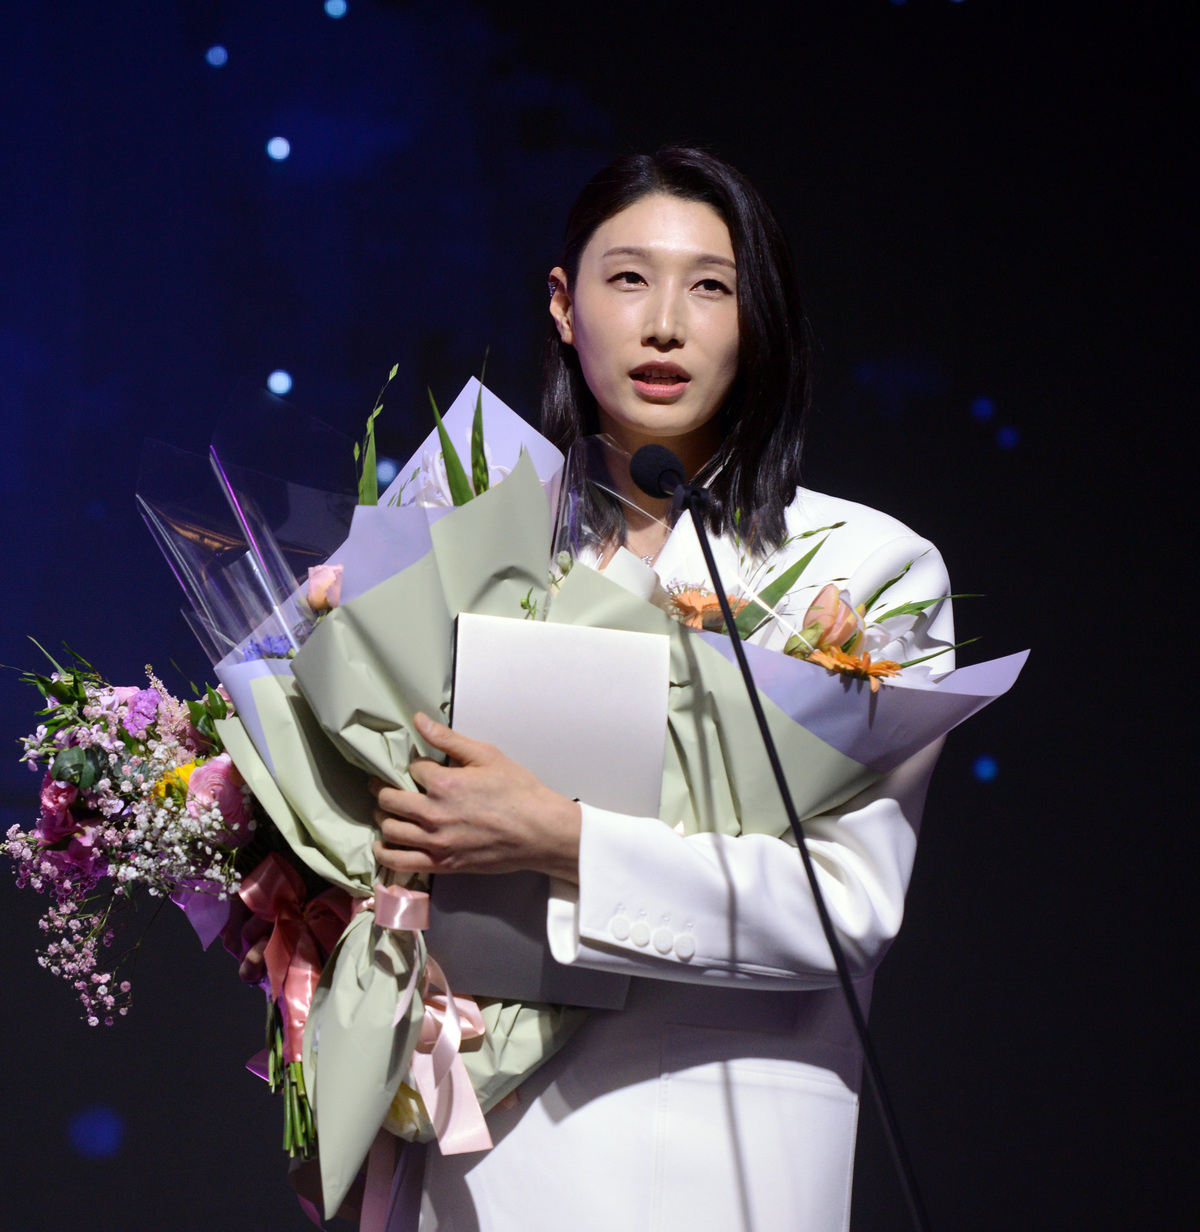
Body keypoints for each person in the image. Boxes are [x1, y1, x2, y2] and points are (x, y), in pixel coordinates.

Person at [369, 147, 955, 1232]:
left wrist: (563, 839)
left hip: (703, 1158)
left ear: (757, 318)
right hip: (468, 1152)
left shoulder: (864, 567)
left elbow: (848, 910)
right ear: (564, 303)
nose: (666, 324)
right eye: (629, 278)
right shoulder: (454, 533)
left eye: (712, 287)